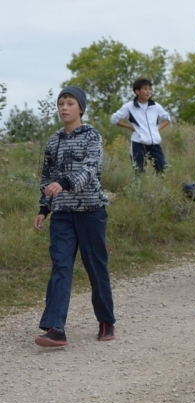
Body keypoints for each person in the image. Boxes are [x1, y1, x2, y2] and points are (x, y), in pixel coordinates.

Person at [34, 86, 116, 347]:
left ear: (80, 108)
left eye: (70, 103)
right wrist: (44, 209)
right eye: (61, 103)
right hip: (62, 214)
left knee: (95, 266)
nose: (64, 108)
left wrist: (65, 183)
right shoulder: (53, 141)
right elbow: (47, 179)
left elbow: (90, 169)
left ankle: (106, 321)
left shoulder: (92, 136)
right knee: (60, 266)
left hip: (91, 212)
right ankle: (55, 328)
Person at [111, 78, 171, 173]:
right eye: (145, 89)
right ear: (137, 91)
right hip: (138, 143)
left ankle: (158, 183)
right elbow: (114, 119)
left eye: (149, 89)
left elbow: (167, 119)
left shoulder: (155, 106)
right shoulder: (129, 106)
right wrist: (129, 127)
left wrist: (157, 129)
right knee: (139, 171)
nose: (148, 91)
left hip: (154, 143)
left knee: (162, 170)